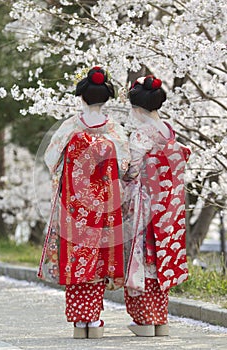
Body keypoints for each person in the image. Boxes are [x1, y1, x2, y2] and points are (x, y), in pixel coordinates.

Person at [38, 66, 130, 339]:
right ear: (107, 99)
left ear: (81, 98)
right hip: (103, 204)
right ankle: (95, 320)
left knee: (78, 255)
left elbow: (50, 160)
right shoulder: (114, 130)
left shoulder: (70, 127)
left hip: (75, 205)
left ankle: (80, 321)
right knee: (99, 255)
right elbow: (125, 166)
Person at [123, 75, 190, 337]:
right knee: (163, 255)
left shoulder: (142, 133)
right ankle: (161, 319)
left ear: (137, 108)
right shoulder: (168, 130)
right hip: (169, 206)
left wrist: (122, 173)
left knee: (144, 256)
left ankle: (145, 320)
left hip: (146, 204)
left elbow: (132, 170)